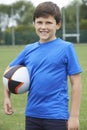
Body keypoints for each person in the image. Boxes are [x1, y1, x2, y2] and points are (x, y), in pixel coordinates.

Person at [4, 1, 82, 130]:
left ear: (58, 24)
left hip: (56, 115)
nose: (43, 27)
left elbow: (76, 83)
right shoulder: (28, 49)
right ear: (34, 23)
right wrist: (7, 97)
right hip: (32, 114)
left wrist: (74, 116)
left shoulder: (66, 48)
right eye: (39, 22)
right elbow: (8, 72)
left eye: (48, 23)